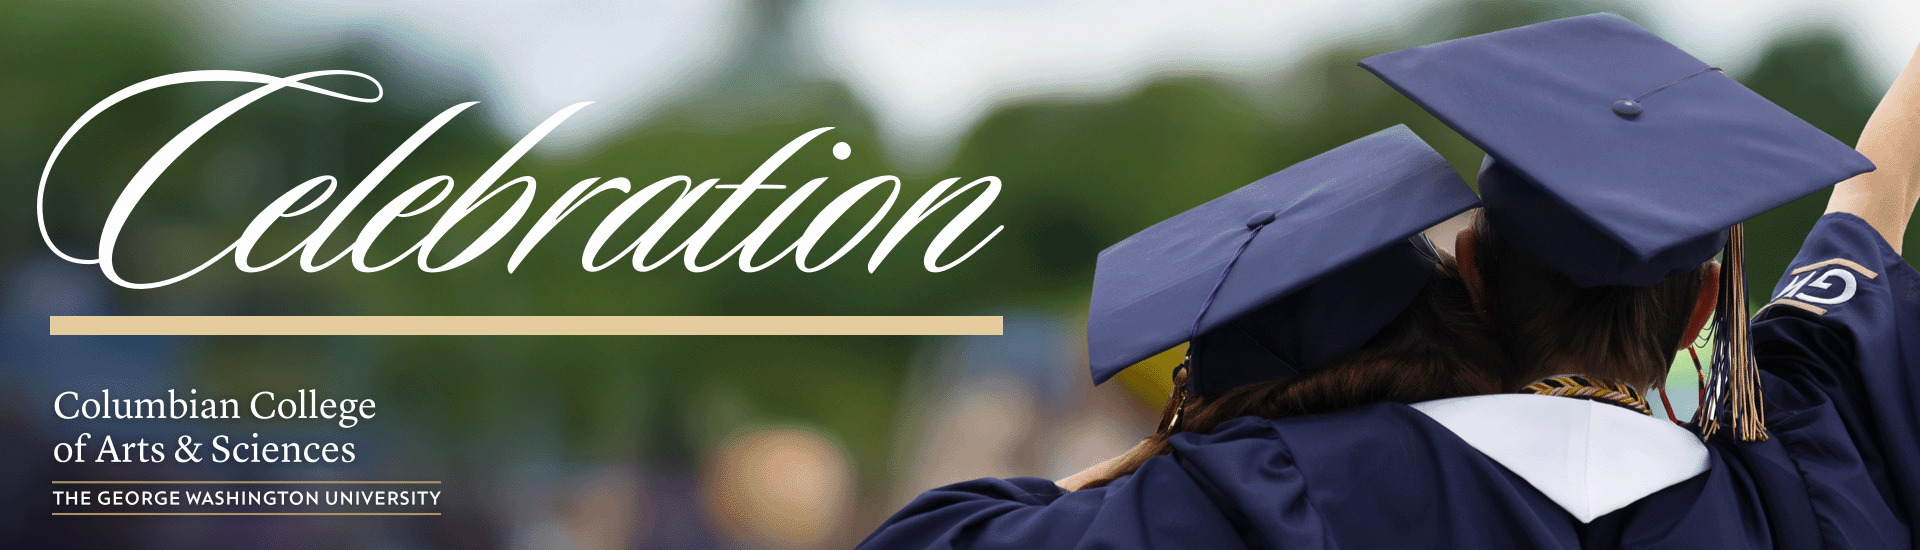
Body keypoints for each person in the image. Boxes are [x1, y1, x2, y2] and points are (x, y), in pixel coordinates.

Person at [1362, 12, 1920, 547]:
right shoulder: (1803, 487)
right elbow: (1878, 190)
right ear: (1703, 309)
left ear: (1472, 273)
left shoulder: (1317, 482)